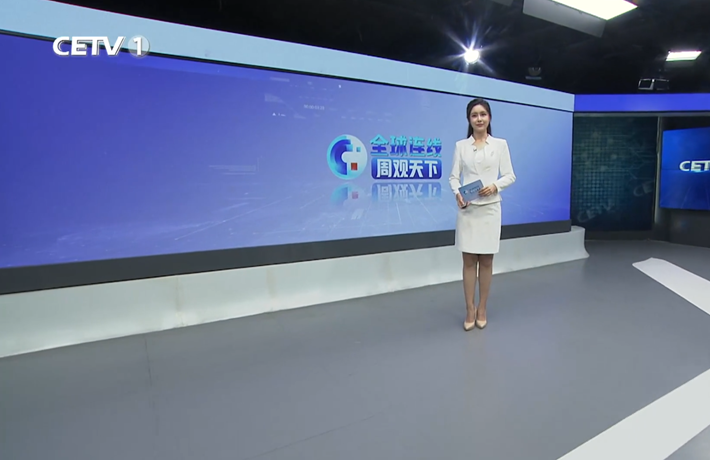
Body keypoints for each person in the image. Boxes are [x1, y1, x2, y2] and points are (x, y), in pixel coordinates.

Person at [448, 98, 516, 331]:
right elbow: (453, 177)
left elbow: (510, 175)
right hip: (468, 210)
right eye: (474, 115)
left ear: (489, 117)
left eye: (483, 114)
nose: (479, 119)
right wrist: (457, 193)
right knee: (468, 261)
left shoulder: (500, 144)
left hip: (490, 209)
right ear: (469, 119)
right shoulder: (461, 146)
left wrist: (495, 186)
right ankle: (469, 309)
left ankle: (482, 308)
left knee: (486, 261)